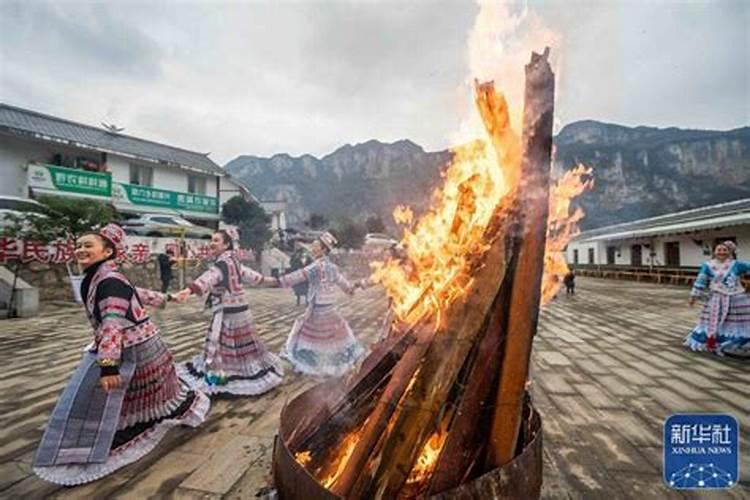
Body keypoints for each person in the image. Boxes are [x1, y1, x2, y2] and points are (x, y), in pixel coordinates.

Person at [33, 224, 209, 486]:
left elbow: (112, 324)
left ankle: (110, 434)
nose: (81, 250)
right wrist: (167, 297)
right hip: (130, 343)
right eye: (79, 245)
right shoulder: (103, 276)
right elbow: (136, 293)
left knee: (126, 393)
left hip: (135, 348)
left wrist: (108, 366)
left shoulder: (107, 280)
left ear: (107, 251)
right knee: (128, 395)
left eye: (88, 246)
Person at [174, 228, 284, 395]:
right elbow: (255, 277)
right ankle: (243, 371)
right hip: (241, 312)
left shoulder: (222, 264)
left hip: (228, 313)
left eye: (216, 240)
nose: (212, 243)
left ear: (226, 245)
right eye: (212, 239)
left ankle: (225, 377)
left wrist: (188, 291)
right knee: (241, 347)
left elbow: (208, 278)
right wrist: (276, 281)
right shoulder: (235, 261)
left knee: (221, 346)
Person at [277, 232, 365, 376]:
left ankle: (319, 365)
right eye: (313, 245)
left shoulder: (315, 267)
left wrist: (277, 281)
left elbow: (296, 277)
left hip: (318, 310)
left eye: (316, 246)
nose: (312, 248)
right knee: (330, 341)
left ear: (324, 249)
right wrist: (358, 285)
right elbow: (346, 287)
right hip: (330, 309)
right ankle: (329, 363)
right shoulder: (333, 268)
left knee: (311, 338)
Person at [685, 240, 750, 356]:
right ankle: (715, 341)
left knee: (738, 322)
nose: (722, 252)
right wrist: (693, 296)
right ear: (714, 252)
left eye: (725, 250)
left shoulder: (736, 264)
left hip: (736, 299)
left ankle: (738, 344)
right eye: (719, 250)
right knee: (714, 320)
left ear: (730, 252)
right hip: (716, 298)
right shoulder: (708, 265)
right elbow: (701, 280)